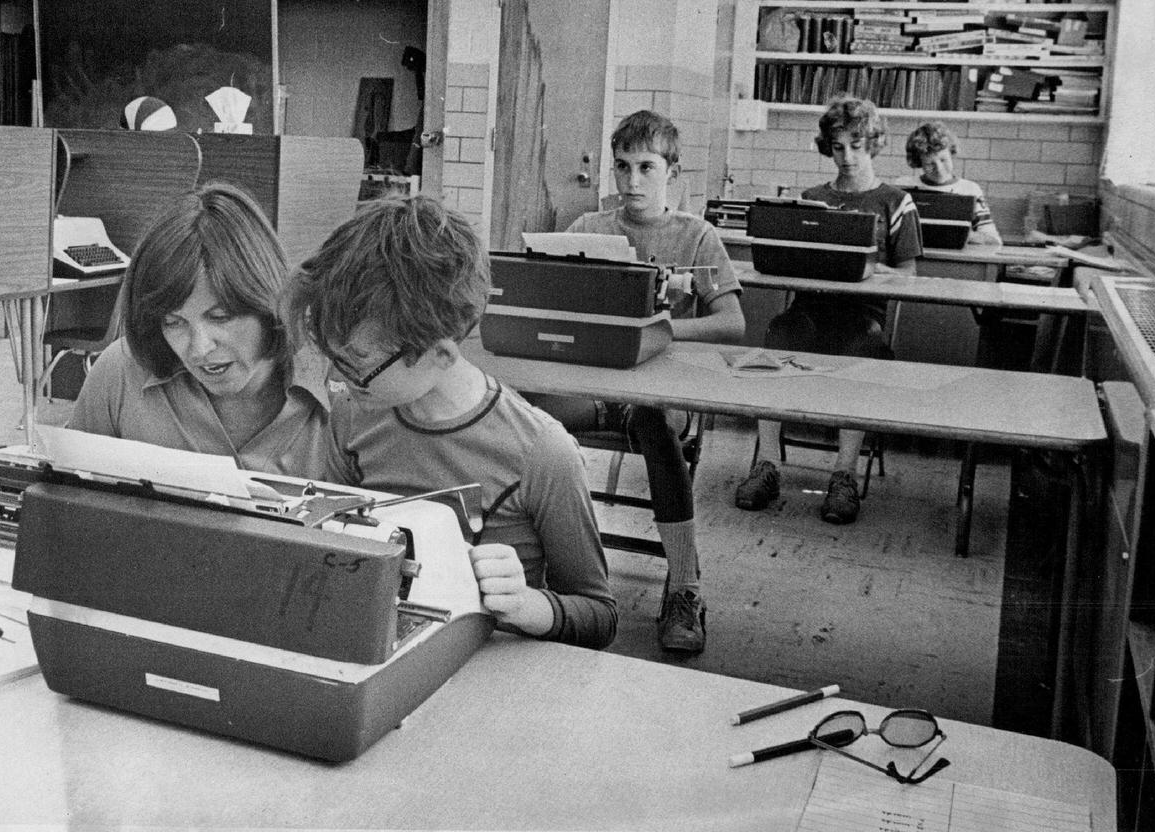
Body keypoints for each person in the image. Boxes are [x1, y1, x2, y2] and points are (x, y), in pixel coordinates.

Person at [282, 194, 618, 650]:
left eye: (356, 361)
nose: (336, 377)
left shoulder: (543, 453)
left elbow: (599, 617)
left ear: (441, 354)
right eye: (333, 356)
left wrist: (526, 606)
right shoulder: (355, 410)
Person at [530, 110, 746, 655]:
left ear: (672, 171)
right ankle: (542, 564)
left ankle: (685, 588)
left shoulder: (697, 236)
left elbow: (732, 322)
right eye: (622, 167)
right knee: (523, 414)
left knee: (653, 419)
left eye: (646, 167)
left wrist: (661, 328)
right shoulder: (587, 231)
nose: (631, 182)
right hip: (594, 392)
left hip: (657, 393)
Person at [67, 180, 334, 480]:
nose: (198, 349)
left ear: (269, 301)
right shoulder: (120, 372)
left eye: (221, 317)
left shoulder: (350, 385)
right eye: (173, 322)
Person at [736, 96, 923, 525]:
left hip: (862, 317)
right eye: (838, 147)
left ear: (874, 143)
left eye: (857, 145)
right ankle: (766, 465)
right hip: (810, 312)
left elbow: (910, 276)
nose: (848, 157)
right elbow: (792, 263)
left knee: (862, 346)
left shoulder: (896, 202)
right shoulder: (811, 199)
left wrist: (867, 267)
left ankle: (844, 475)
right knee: (778, 333)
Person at [904, 121, 1002, 246]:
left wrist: (963, 234)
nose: (939, 169)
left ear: (952, 153)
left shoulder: (970, 190)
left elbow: (994, 241)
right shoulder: (906, 186)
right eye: (929, 164)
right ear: (919, 163)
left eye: (943, 160)